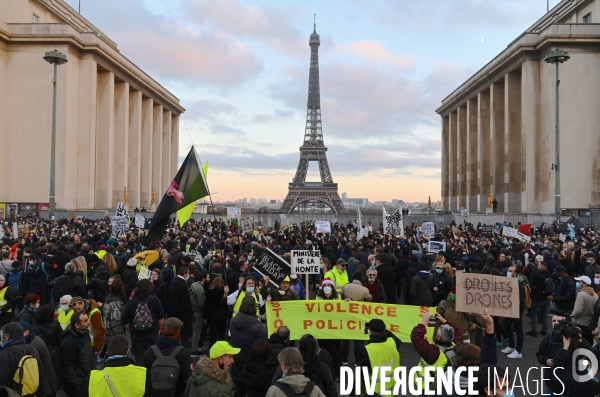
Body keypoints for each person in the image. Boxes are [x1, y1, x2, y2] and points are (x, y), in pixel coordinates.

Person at [143, 317, 194, 397]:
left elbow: (144, 377)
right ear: (177, 332)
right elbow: (188, 378)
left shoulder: (150, 351)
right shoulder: (183, 353)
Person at [230, 296, 268, 397]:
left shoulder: (233, 321)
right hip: (252, 365)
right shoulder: (258, 327)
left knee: (239, 391)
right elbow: (263, 349)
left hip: (236, 361)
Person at [411, 312, 462, 387]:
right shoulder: (457, 345)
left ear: (439, 338)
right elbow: (457, 331)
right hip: (443, 385)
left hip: (428, 386)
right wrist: (445, 321)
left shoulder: (433, 352)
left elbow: (416, 337)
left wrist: (423, 323)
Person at [121, 279, 165, 364]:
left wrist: (131, 329)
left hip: (137, 335)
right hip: (152, 334)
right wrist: (159, 330)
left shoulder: (131, 302)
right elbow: (161, 317)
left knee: (140, 359)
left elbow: (124, 319)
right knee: (153, 357)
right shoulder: (154, 300)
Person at [355, 319, 402, 395]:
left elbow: (361, 374)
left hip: (375, 392)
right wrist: (383, 329)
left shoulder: (367, 349)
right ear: (385, 328)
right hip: (392, 387)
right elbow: (393, 337)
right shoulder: (393, 341)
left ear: (369, 330)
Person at [0, 322, 42, 396]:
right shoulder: (32, 349)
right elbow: (40, 374)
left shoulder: (5, 354)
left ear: (6, 338)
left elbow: (1, 381)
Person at [21, 321, 59, 397]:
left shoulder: (32, 346)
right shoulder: (35, 338)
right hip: (49, 384)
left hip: (45, 387)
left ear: (26, 332)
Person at [60, 311, 94, 397]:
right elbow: (67, 368)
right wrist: (77, 385)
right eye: (85, 321)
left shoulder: (84, 334)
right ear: (77, 325)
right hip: (78, 386)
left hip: (87, 380)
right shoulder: (68, 343)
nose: (89, 322)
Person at [501, 265, 525, 359]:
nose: (508, 272)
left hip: (517, 308)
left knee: (518, 328)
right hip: (509, 307)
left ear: (515, 273)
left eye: (510, 271)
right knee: (506, 325)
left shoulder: (520, 283)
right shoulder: (511, 281)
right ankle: (511, 346)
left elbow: (520, 300)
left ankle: (518, 351)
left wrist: (516, 310)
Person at [167, 266, 194, 347]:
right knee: (183, 337)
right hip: (183, 316)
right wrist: (191, 315)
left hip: (173, 313)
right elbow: (186, 302)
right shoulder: (182, 286)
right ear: (185, 274)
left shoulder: (174, 283)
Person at [101, 278, 127, 358]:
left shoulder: (108, 298)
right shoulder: (116, 304)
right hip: (115, 336)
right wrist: (121, 338)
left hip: (108, 331)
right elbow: (116, 322)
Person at [527, 261, 552, 337]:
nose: (538, 267)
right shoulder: (549, 276)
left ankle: (535, 330)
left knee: (534, 313)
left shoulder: (538, 276)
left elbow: (531, 284)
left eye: (538, 266)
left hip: (538, 298)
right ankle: (544, 330)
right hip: (546, 297)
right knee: (544, 314)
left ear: (541, 267)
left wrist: (535, 288)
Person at [572, 275, 598, 343]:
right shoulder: (595, 295)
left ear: (585, 284)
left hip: (580, 323)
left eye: (580, 282)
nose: (578, 283)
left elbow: (577, 310)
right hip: (590, 324)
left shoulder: (581, 294)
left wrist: (572, 315)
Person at [205, 276, 229, 346]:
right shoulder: (223, 292)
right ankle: (221, 346)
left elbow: (207, 305)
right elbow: (226, 303)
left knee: (213, 332)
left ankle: (213, 346)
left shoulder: (209, 292)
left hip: (213, 313)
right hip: (222, 312)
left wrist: (206, 316)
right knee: (222, 331)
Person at [190, 270, 208, 354]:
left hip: (192, 310)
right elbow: (201, 304)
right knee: (197, 331)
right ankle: (194, 349)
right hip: (197, 312)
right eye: (208, 277)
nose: (209, 279)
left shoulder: (194, 284)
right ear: (203, 279)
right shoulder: (200, 289)